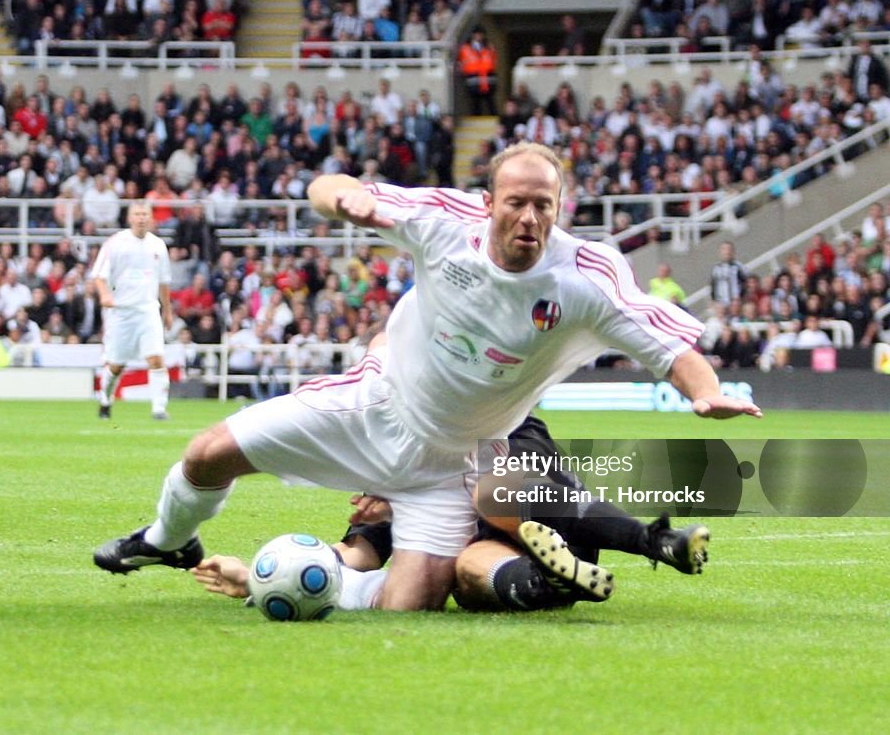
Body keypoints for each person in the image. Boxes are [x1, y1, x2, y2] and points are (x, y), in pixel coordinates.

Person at [94, 142, 760, 611]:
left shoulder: (585, 276)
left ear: (560, 206)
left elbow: (661, 338)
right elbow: (327, 188)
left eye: (543, 206)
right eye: (516, 202)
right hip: (378, 406)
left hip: (456, 465)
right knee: (208, 454)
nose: (529, 218)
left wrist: (704, 392)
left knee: (410, 602)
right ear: (489, 201)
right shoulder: (445, 224)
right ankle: (166, 541)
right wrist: (345, 201)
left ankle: (303, 584)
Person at [193, 413, 714, 613]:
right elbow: (356, 555)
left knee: (495, 494)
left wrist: (403, 495)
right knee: (464, 571)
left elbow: (524, 489)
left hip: (557, 522)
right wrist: (265, 575)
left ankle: (654, 542)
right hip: (520, 564)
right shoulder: (389, 470)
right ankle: (552, 584)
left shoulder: (512, 423)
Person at [90, 201, 174, 420]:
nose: (141, 218)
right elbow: (99, 275)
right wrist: (105, 295)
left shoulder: (158, 246)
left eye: (145, 214)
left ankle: (159, 408)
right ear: (129, 218)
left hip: (148, 310)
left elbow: (164, 282)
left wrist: (167, 311)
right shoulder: (116, 243)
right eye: (137, 214)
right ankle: (105, 400)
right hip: (122, 312)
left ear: (151, 218)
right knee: (116, 365)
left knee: (156, 359)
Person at [458, 28, 497, 116]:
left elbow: (494, 61)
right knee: (475, 104)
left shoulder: (489, 47)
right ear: (473, 35)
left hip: (488, 80)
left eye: (481, 34)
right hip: (473, 80)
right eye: (477, 34)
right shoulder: (465, 48)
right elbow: (461, 63)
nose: (479, 36)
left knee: (490, 103)